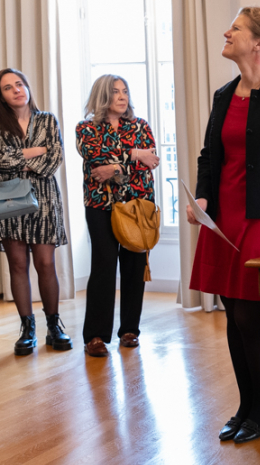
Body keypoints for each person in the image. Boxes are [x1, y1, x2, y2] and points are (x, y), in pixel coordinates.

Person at [186, 6, 260, 445]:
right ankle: (245, 407)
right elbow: (208, 156)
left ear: (259, 42)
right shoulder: (223, 94)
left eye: (234, 28)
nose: (226, 32)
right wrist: (201, 198)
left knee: (248, 315)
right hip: (221, 218)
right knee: (231, 319)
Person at [0, 68, 71, 356]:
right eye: (8, 88)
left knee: (45, 264)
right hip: (7, 198)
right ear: (1, 96)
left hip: (43, 198)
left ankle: (54, 326)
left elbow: (54, 158)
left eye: (19, 84)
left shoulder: (47, 120)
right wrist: (34, 151)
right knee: (17, 265)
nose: (16, 90)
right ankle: (27, 328)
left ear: (27, 87)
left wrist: (23, 159)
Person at [75, 74, 159, 358]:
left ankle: (130, 331)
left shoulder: (140, 125)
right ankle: (95, 336)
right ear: (102, 96)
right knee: (103, 266)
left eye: (125, 91)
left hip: (138, 204)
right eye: (115, 92)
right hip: (100, 205)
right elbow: (95, 158)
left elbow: (152, 160)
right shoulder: (85, 128)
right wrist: (135, 155)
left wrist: (116, 164)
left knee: (134, 266)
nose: (122, 97)